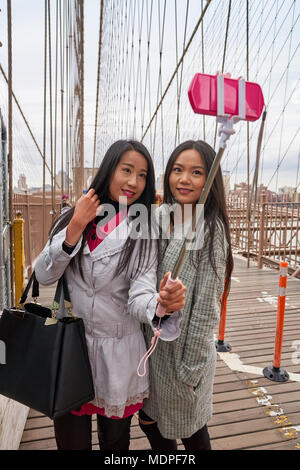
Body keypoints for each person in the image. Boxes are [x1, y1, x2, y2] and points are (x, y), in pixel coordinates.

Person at [34, 140, 186, 451]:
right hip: (69, 350)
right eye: (126, 170)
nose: (133, 182)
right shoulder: (71, 217)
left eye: (143, 175)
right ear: (108, 170)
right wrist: (76, 224)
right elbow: (43, 275)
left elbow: (141, 291)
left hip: (116, 353)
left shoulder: (143, 229)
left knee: (114, 445)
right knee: (70, 443)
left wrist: (159, 305)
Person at [138, 140, 233, 450]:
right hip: (151, 353)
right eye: (178, 169)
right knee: (150, 421)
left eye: (196, 172)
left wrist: (190, 371)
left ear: (209, 180)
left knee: (190, 429)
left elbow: (207, 308)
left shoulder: (210, 230)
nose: (184, 179)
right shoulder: (158, 217)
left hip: (183, 358)